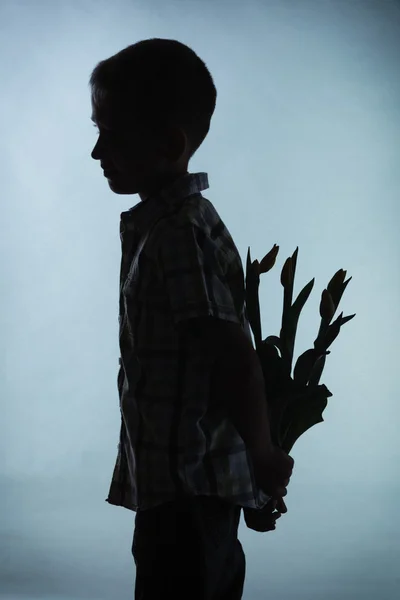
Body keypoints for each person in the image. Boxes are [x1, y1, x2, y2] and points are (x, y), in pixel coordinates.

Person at [89, 38, 294, 600]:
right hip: (176, 486)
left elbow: (231, 352)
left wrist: (261, 454)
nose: (95, 151)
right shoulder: (165, 225)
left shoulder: (179, 233)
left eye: (110, 132)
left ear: (169, 143)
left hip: (190, 487)